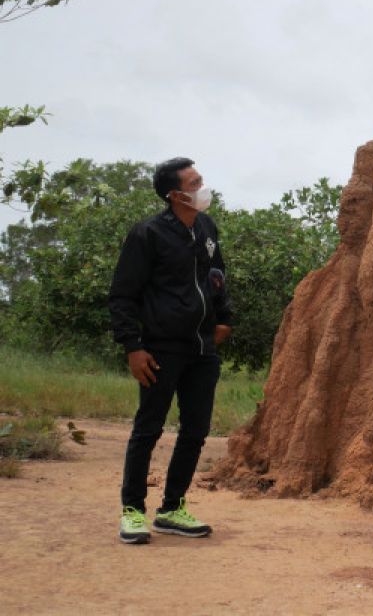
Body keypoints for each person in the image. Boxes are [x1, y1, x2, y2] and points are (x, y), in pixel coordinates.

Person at [109, 157, 233, 544]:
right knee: (148, 428)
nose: (203, 187)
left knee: (195, 430)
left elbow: (217, 277)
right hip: (161, 348)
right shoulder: (147, 234)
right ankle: (132, 511)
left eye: (201, 179)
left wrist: (224, 318)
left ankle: (172, 508)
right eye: (194, 182)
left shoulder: (206, 229)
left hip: (202, 350)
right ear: (175, 194)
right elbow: (123, 294)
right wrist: (133, 347)